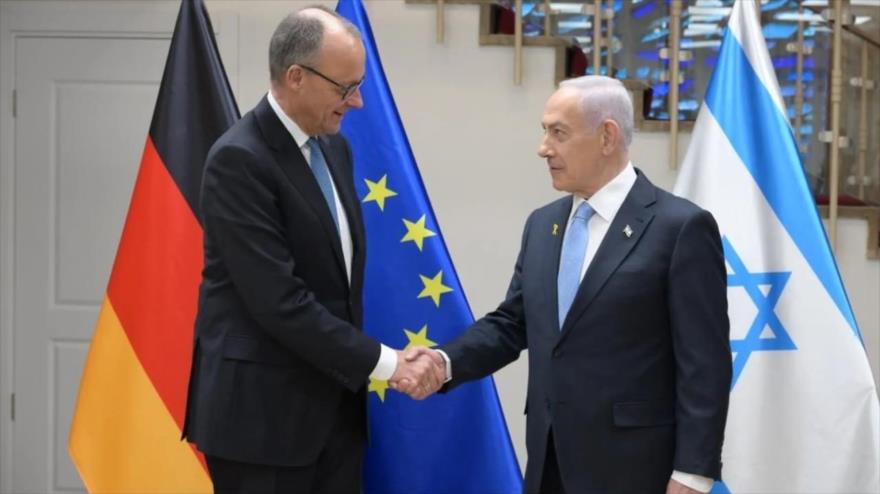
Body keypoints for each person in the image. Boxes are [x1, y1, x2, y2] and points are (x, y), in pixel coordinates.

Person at [403, 76, 731, 494]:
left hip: (637, 471)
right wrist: (443, 362)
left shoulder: (680, 228)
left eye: (558, 133)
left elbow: (705, 364)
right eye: (544, 131)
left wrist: (692, 473)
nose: (544, 148)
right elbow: (512, 323)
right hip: (549, 466)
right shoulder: (543, 224)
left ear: (607, 136)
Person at [182, 7, 443, 493]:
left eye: (358, 85)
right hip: (261, 427)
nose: (359, 102)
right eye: (346, 88)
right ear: (295, 77)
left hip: (335, 415)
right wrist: (388, 364)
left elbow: (337, 287)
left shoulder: (334, 148)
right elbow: (279, 302)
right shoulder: (239, 159)